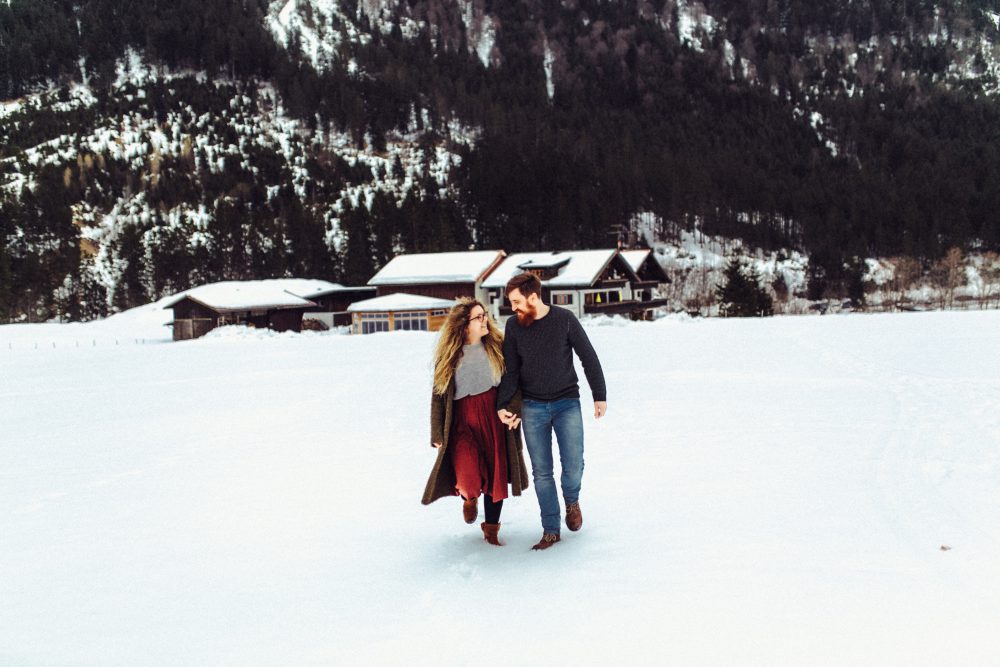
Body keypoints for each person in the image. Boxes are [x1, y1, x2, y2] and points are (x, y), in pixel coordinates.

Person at [496, 273, 607, 550]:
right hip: (532, 407)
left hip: (566, 403)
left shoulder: (564, 319)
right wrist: (502, 404)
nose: (513, 307)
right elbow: (511, 371)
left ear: (533, 297)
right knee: (542, 472)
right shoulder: (513, 326)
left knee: (573, 464)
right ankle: (550, 529)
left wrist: (599, 394)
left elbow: (588, 356)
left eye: (516, 301)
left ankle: (572, 500)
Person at [422, 298, 530, 546]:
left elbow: (514, 383)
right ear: (464, 325)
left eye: (485, 315)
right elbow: (438, 396)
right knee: (467, 476)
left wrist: (513, 410)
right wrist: (436, 432)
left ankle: (491, 528)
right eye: (478, 317)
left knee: (496, 474)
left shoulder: (498, 348)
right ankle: (469, 497)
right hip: (462, 424)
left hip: (494, 420)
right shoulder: (449, 357)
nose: (485, 320)